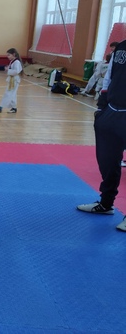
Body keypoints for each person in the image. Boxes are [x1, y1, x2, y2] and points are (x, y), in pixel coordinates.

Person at [77, 39, 126, 232]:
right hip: (111, 112)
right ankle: (106, 203)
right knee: (107, 160)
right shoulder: (121, 47)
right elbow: (109, 76)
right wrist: (101, 107)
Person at [0, 48, 23, 114]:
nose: (8, 57)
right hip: (12, 79)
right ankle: (14, 108)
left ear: (13, 54)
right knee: (13, 94)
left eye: (9, 55)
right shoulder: (13, 61)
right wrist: (8, 69)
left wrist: (8, 70)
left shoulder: (17, 62)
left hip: (14, 80)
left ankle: (0, 107)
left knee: (8, 93)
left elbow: (16, 71)